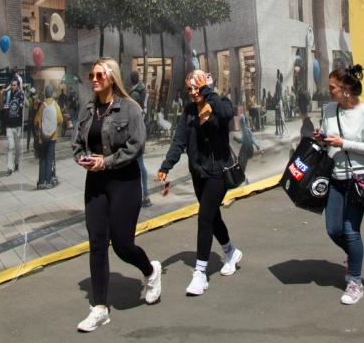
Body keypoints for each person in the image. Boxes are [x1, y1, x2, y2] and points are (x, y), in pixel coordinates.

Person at [73, 58, 162, 331]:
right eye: (92, 75)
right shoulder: (88, 110)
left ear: (111, 78)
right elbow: (77, 144)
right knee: (97, 243)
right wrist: (84, 158)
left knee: (122, 244)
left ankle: (151, 270)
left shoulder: (130, 109)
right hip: (96, 183)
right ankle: (99, 308)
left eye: (99, 74)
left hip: (124, 181)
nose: (94, 79)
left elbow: (137, 146)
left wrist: (106, 161)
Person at [156, 70, 243, 297]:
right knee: (212, 217)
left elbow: (226, 114)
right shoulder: (188, 111)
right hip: (199, 173)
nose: (193, 93)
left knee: (204, 218)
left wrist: (207, 91)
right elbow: (179, 141)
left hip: (217, 173)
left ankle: (200, 273)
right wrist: (166, 166)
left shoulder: (219, 103)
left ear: (206, 86)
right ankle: (231, 252)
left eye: (197, 88)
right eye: (190, 89)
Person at [316, 64, 364, 305]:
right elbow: (327, 137)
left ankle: (355, 280)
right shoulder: (330, 109)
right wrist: (321, 139)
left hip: (357, 180)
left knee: (351, 230)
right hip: (334, 178)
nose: (328, 90)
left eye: (332, 87)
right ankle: (355, 256)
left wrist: (344, 143)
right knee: (333, 229)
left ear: (345, 90)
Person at [34, 85, 67, 189]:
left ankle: (41, 182)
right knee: (49, 159)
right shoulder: (55, 105)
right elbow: (61, 120)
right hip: (53, 137)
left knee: (42, 159)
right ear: (52, 93)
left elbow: (36, 121)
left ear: (45, 93)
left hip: (43, 137)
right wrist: (54, 126)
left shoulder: (42, 106)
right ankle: (48, 181)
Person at [129, 71, 152, 207]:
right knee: (140, 164)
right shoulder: (144, 91)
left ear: (131, 80)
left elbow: (131, 115)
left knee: (137, 164)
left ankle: (142, 195)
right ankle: (145, 194)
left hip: (135, 132)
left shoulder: (135, 94)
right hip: (143, 130)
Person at [3, 78, 25, 175]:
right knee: (10, 147)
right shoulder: (8, 95)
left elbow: (24, 105)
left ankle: (16, 163)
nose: (13, 87)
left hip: (17, 126)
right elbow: (4, 107)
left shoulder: (21, 95)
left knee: (17, 147)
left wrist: (22, 101)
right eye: (12, 85)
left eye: (15, 85)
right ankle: (9, 167)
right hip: (9, 125)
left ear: (18, 86)